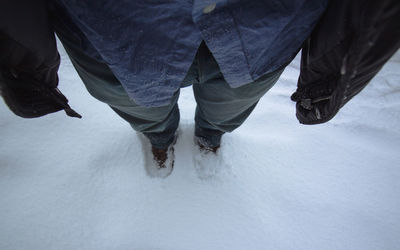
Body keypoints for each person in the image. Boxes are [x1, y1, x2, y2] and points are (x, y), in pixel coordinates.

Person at [1, 0, 399, 175]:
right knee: (142, 107)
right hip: (115, 35)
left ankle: (211, 133)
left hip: (262, 30)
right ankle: (161, 136)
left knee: (230, 103)